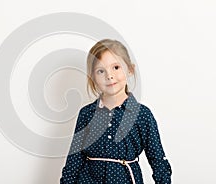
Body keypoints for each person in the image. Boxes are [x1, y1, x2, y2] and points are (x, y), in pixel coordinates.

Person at [60, 39, 172, 184]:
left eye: (116, 67)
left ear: (130, 69)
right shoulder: (86, 114)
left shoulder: (142, 115)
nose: (109, 76)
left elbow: (158, 162)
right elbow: (74, 161)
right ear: (93, 77)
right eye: (101, 71)